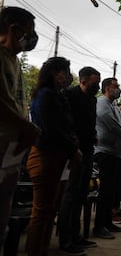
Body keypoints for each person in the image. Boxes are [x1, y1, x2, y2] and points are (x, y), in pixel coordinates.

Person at [26, 57, 83, 256]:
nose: (67, 76)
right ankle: (35, 251)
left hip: (59, 157)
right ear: (53, 73)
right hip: (45, 156)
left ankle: (42, 249)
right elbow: (52, 129)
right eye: (64, 72)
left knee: (50, 210)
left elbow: (67, 127)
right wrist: (73, 149)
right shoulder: (45, 95)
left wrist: (73, 146)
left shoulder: (58, 95)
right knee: (41, 212)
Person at [0, 7, 40, 250]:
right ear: (14, 29)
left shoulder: (13, 61)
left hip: (10, 151)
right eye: (30, 32)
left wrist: (25, 128)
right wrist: (27, 127)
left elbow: (15, 103)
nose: (32, 38)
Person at [57, 67, 101, 255]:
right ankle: (65, 240)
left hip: (88, 149)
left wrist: (94, 136)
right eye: (95, 82)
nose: (97, 85)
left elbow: (90, 123)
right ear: (83, 80)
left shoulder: (92, 99)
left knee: (82, 194)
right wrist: (73, 147)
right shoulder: (69, 95)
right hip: (73, 151)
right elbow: (66, 124)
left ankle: (76, 236)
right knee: (71, 195)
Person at [93, 78, 121, 239]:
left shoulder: (114, 105)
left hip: (116, 153)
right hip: (105, 152)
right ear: (108, 88)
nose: (119, 89)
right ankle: (99, 226)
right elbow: (111, 123)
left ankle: (107, 222)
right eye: (116, 86)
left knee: (112, 192)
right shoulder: (102, 103)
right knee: (105, 191)